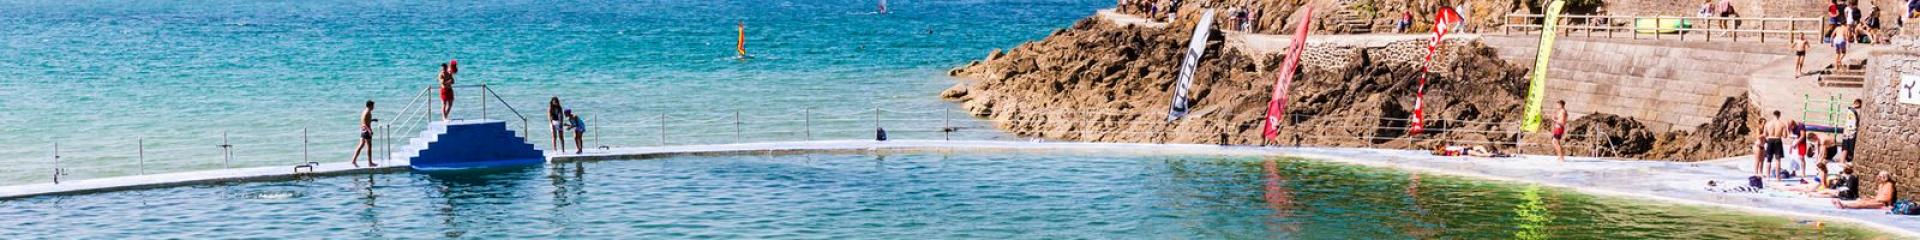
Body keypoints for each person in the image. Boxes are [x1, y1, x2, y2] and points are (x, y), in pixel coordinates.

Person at [1759, 111, 1790, 178]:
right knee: (1778, 160)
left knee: (1769, 160)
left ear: (1773, 115)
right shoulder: (1782, 124)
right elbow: (1785, 136)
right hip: (1778, 140)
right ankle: (1778, 177)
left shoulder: (1768, 124)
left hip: (1770, 140)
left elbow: (1765, 134)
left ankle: (1768, 177)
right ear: (1779, 115)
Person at [350, 100, 378, 168]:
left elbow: (365, 121)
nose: (374, 107)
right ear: (370, 106)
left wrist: (373, 120)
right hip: (366, 131)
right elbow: (365, 124)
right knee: (369, 147)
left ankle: (353, 160)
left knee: (361, 145)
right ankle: (370, 162)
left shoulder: (364, 111)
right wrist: (370, 131)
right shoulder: (368, 112)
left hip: (363, 130)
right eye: (373, 106)